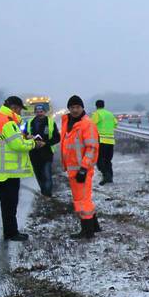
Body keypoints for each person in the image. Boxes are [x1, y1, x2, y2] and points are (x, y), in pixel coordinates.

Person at [0, 96, 42, 241]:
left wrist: (24, 137)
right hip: (8, 170)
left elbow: (8, 140)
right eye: (19, 110)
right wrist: (33, 143)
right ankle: (12, 233)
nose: (20, 113)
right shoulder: (7, 122)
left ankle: (9, 231)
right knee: (10, 204)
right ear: (14, 108)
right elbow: (18, 145)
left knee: (6, 204)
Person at [60, 95, 101, 239]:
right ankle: (94, 226)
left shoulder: (87, 124)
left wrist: (84, 168)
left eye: (77, 107)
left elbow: (92, 148)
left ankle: (87, 231)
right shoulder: (68, 123)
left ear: (82, 108)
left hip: (82, 170)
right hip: (73, 170)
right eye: (72, 107)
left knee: (82, 201)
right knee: (83, 198)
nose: (75, 110)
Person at [27, 103, 60, 196]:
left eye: (41, 111)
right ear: (35, 112)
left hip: (47, 153)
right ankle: (43, 192)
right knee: (39, 175)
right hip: (34, 153)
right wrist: (27, 136)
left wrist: (45, 143)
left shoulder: (50, 123)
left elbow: (57, 138)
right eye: (37, 112)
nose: (39, 113)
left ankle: (48, 194)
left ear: (45, 112)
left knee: (47, 174)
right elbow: (23, 135)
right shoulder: (30, 123)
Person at [92, 98, 117, 184]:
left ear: (96, 106)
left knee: (99, 160)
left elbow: (91, 125)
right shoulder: (110, 114)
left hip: (101, 140)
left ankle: (106, 176)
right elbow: (115, 124)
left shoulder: (97, 114)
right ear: (104, 105)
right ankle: (110, 178)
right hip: (111, 141)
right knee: (108, 160)